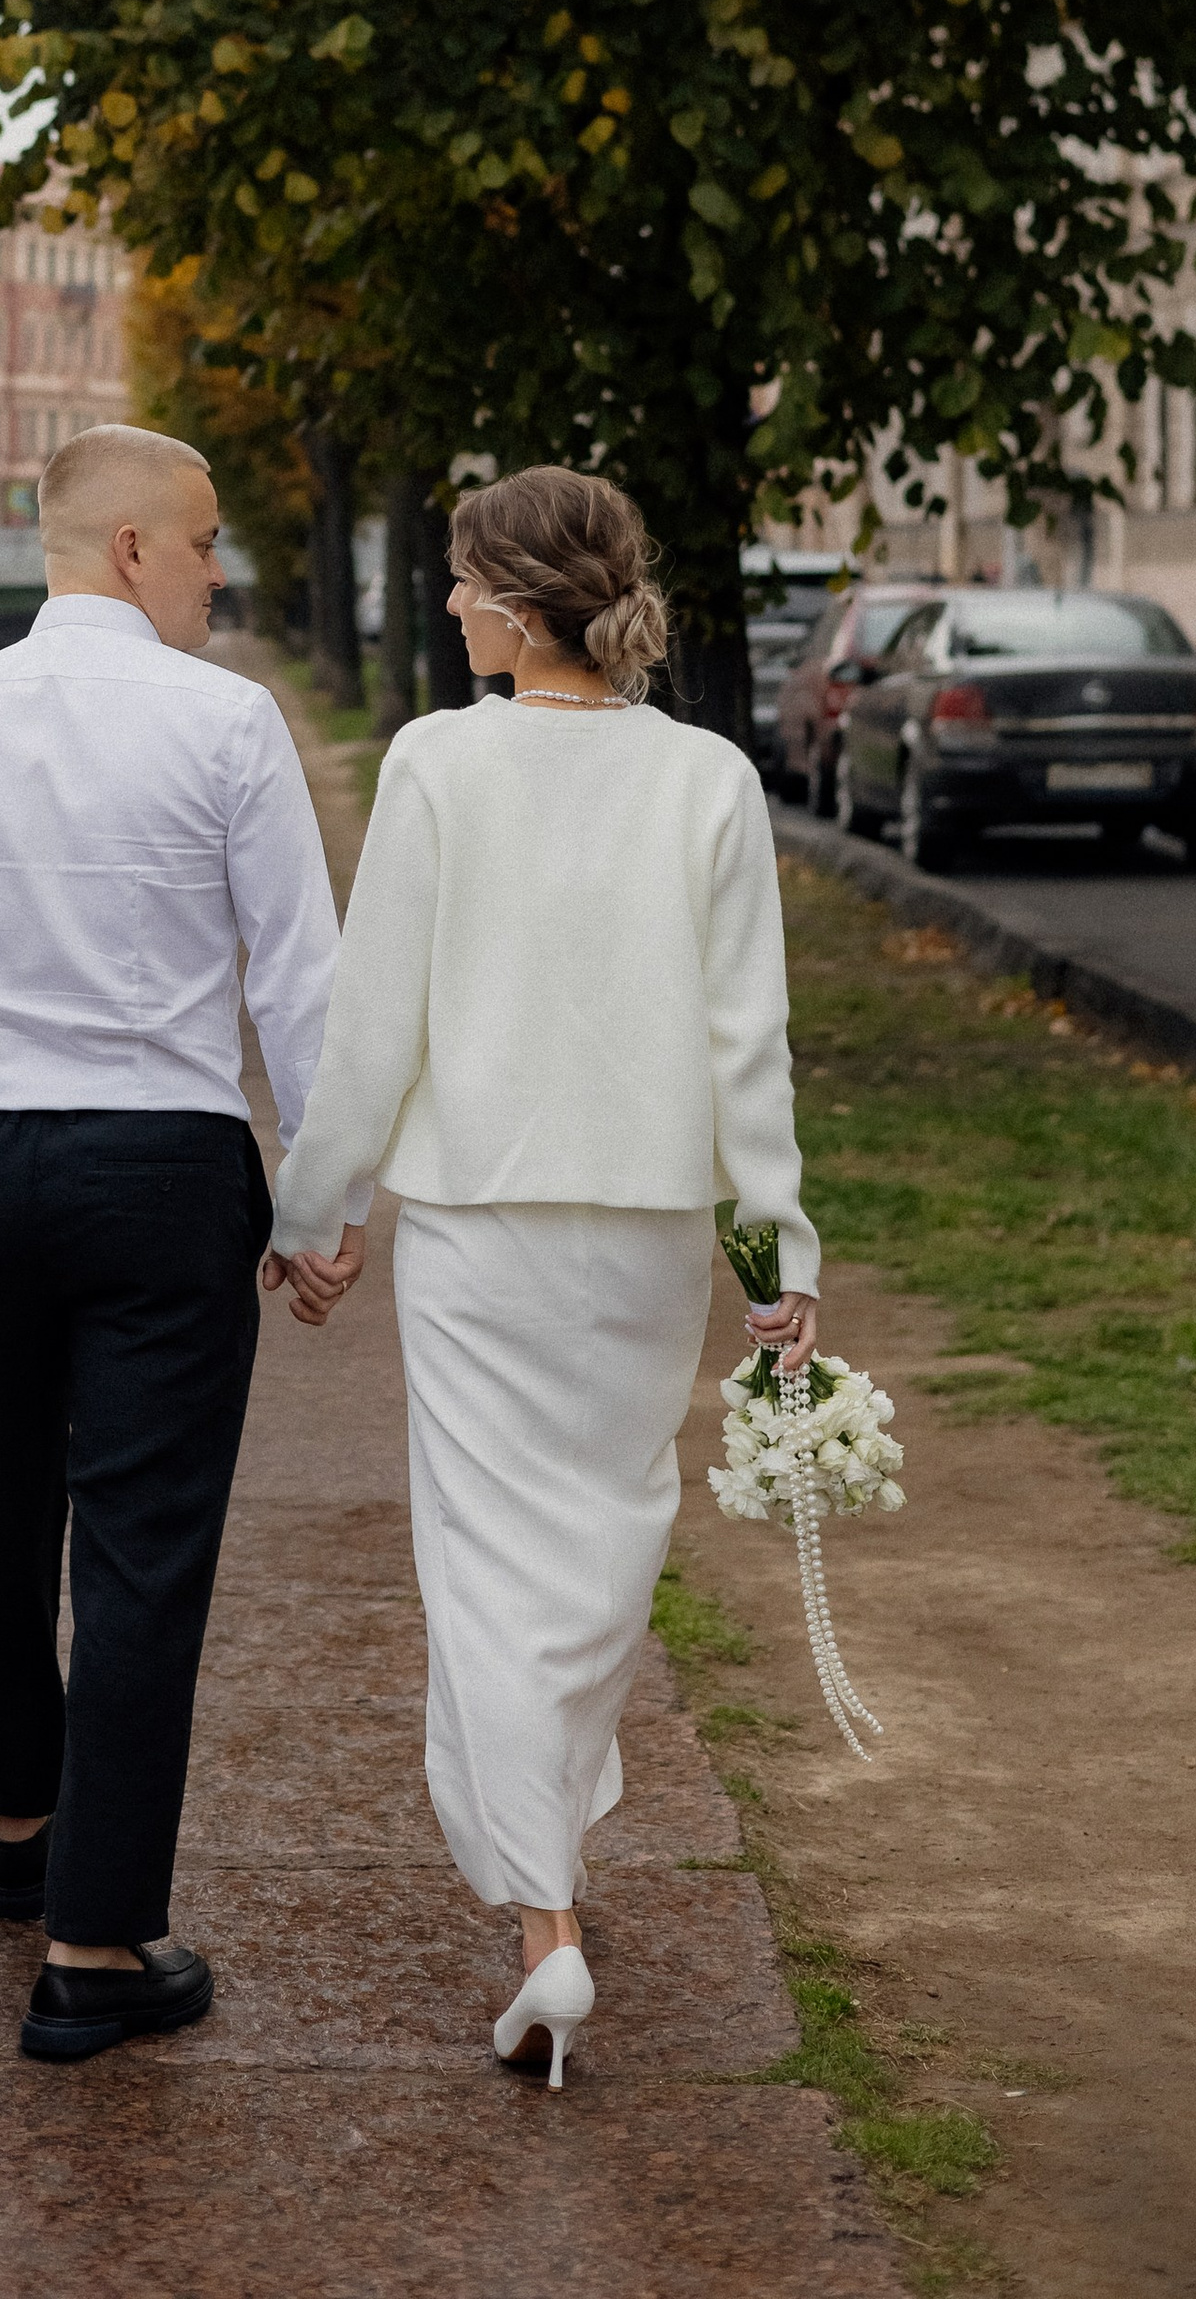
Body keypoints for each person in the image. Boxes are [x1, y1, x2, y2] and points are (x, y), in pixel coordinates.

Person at [269, 465, 817, 2093]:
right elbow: (748, 1038)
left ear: (515, 599)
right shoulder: (710, 778)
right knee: (596, 1552)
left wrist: (318, 1208)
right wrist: (776, 1245)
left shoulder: (439, 763)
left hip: (481, 1223)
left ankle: (545, 1932)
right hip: (648, 1228)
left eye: (458, 585)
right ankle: (555, 1860)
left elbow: (377, 1021)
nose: (445, 610)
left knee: (491, 1572)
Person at [0, 421, 345, 2064]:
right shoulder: (227, 726)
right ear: (129, 547)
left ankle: (19, 1820)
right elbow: (298, 984)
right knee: (140, 1554)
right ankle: (101, 1948)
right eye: (204, 542)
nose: (219, 572)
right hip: (166, 1163)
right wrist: (320, 1202)